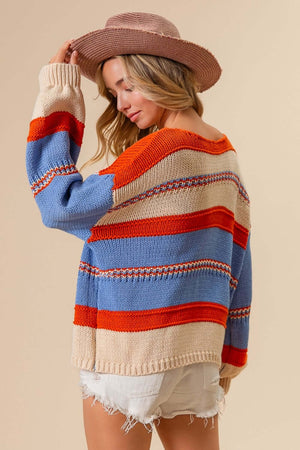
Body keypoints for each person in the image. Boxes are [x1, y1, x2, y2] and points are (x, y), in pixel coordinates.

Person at [26, 11, 252, 450]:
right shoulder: (225, 156)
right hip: (196, 357)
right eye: (113, 93)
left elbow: (57, 204)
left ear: (162, 73)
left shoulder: (153, 154)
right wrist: (229, 361)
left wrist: (58, 91)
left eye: (128, 84)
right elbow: (238, 263)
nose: (122, 102)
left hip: (128, 352)